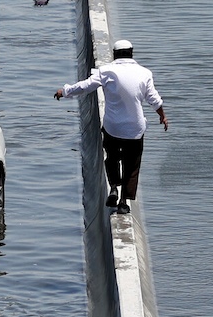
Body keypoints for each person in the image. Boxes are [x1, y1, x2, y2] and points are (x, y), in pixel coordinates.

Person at [55, 39, 166, 215]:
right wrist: (163, 117)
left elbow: (85, 86)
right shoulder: (145, 73)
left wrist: (65, 91)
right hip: (135, 129)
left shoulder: (106, 71)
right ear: (132, 53)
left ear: (115, 54)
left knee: (112, 158)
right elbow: (154, 99)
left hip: (112, 127)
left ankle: (113, 187)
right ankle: (123, 202)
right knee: (132, 164)